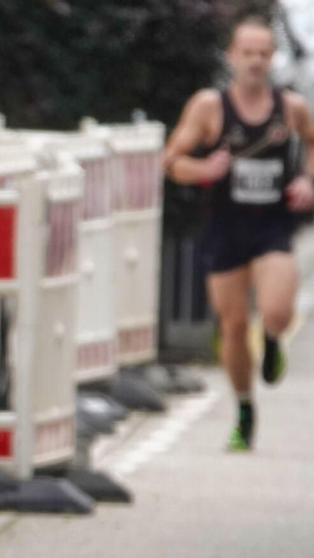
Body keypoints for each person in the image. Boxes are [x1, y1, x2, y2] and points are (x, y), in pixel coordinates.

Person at [165, 16, 314, 451]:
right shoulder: (209, 107)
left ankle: (271, 340)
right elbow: (171, 160)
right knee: (231, 327)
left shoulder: (291, 108)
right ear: (231, 57)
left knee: (277, 311)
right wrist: (202, 169)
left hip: (272, 226)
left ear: (272, 59)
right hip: (225, 228)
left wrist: (307, 179)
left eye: (264, 54)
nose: (255, 62)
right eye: (247, 53)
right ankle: (245, 408)